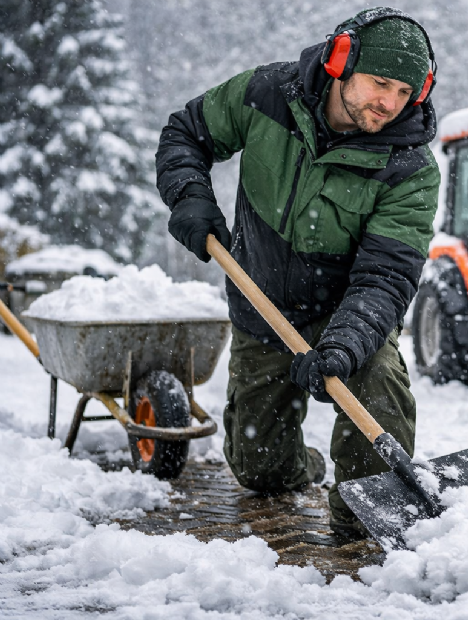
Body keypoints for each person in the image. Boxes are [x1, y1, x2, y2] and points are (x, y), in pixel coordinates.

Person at [155, 7, 440, 538]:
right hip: (261, 305)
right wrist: (189, 197)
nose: (390, 103)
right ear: (340, 62)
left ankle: (361, 515)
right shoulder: (268, 94)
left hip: (348, 314)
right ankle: (300, 464)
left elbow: (388, 275)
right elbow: (186, 132)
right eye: (380, 83)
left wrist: (345, 346)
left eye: (405, 92)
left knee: (375, 376)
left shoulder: (409, 167)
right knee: (260, 472)